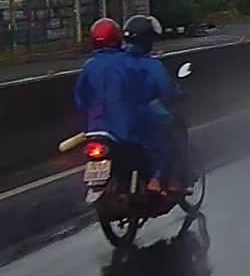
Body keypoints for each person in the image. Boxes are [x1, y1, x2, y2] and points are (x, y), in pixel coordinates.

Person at [121, 15, 182, 193]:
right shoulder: (151, 65)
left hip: (116, 118)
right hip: (144, 115)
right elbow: (167, 91)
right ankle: (159, 178)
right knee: (171, 134)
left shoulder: (114, 61)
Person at [74, 18, 140, 154]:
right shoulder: (129, 63)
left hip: (94, 131)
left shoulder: (89, 66)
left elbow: (80, 99)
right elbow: (142, 92)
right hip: (124, 132)